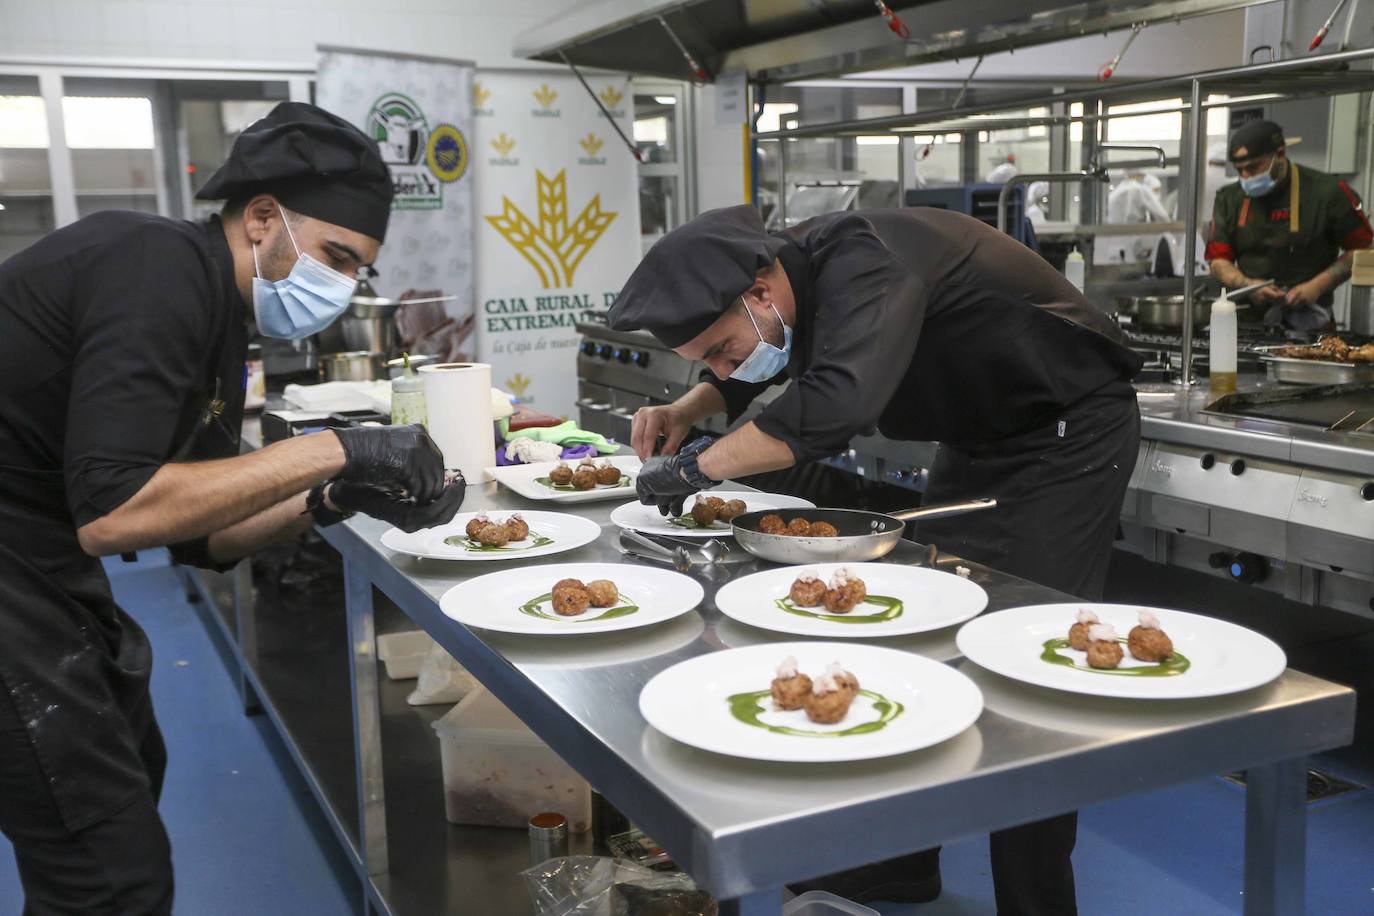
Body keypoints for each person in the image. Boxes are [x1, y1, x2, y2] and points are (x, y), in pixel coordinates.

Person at [0, 102, 465, 914]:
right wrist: (337, 447)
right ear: (261, 219)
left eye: (359, 270)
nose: (344, 286)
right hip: (16, 562)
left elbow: (201, 533)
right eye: (336, 255)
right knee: (107, 872)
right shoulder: (154, 269)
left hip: (35, 552)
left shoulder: (216, 312)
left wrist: (327, 500)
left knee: (132, 765)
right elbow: (113, 510)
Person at [610, 205, 1142, 915]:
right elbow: (765, 356)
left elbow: (834, 402)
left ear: (760, 293)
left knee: (1031, 672)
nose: (722, 367)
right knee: (917, 643)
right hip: (976, 438)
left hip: (1067, 433)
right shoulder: (785, 279)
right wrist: (691, 406)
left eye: (720, 350)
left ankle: (1036, 899)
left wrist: (696, 468)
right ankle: (897, 863)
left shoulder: (869, 261)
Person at [1206, 118, 1373, 331]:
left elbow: (1363, 250)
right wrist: (1248, 286)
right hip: (1248, 325)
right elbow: (1218, 261)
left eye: (1253, 167)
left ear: (1280, 154)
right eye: (1240, 170)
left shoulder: (1328, 193)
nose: (1246, 176)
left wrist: (1317, 286)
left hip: (1312, 325)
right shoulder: (1229, 199)